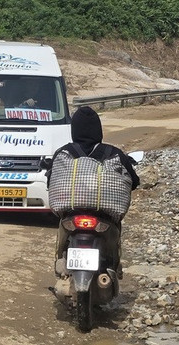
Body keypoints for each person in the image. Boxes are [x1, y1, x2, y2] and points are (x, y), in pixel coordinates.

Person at [53, 106, 140, 278]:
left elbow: (52, 179)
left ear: (74, 129)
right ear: (98, 130)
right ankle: (115, 266)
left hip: (72, 215)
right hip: (103, 217)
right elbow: (134, 180)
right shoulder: (114, 153)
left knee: (62, 225)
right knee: (116, 230)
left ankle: (60, 257)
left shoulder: (63, 153)